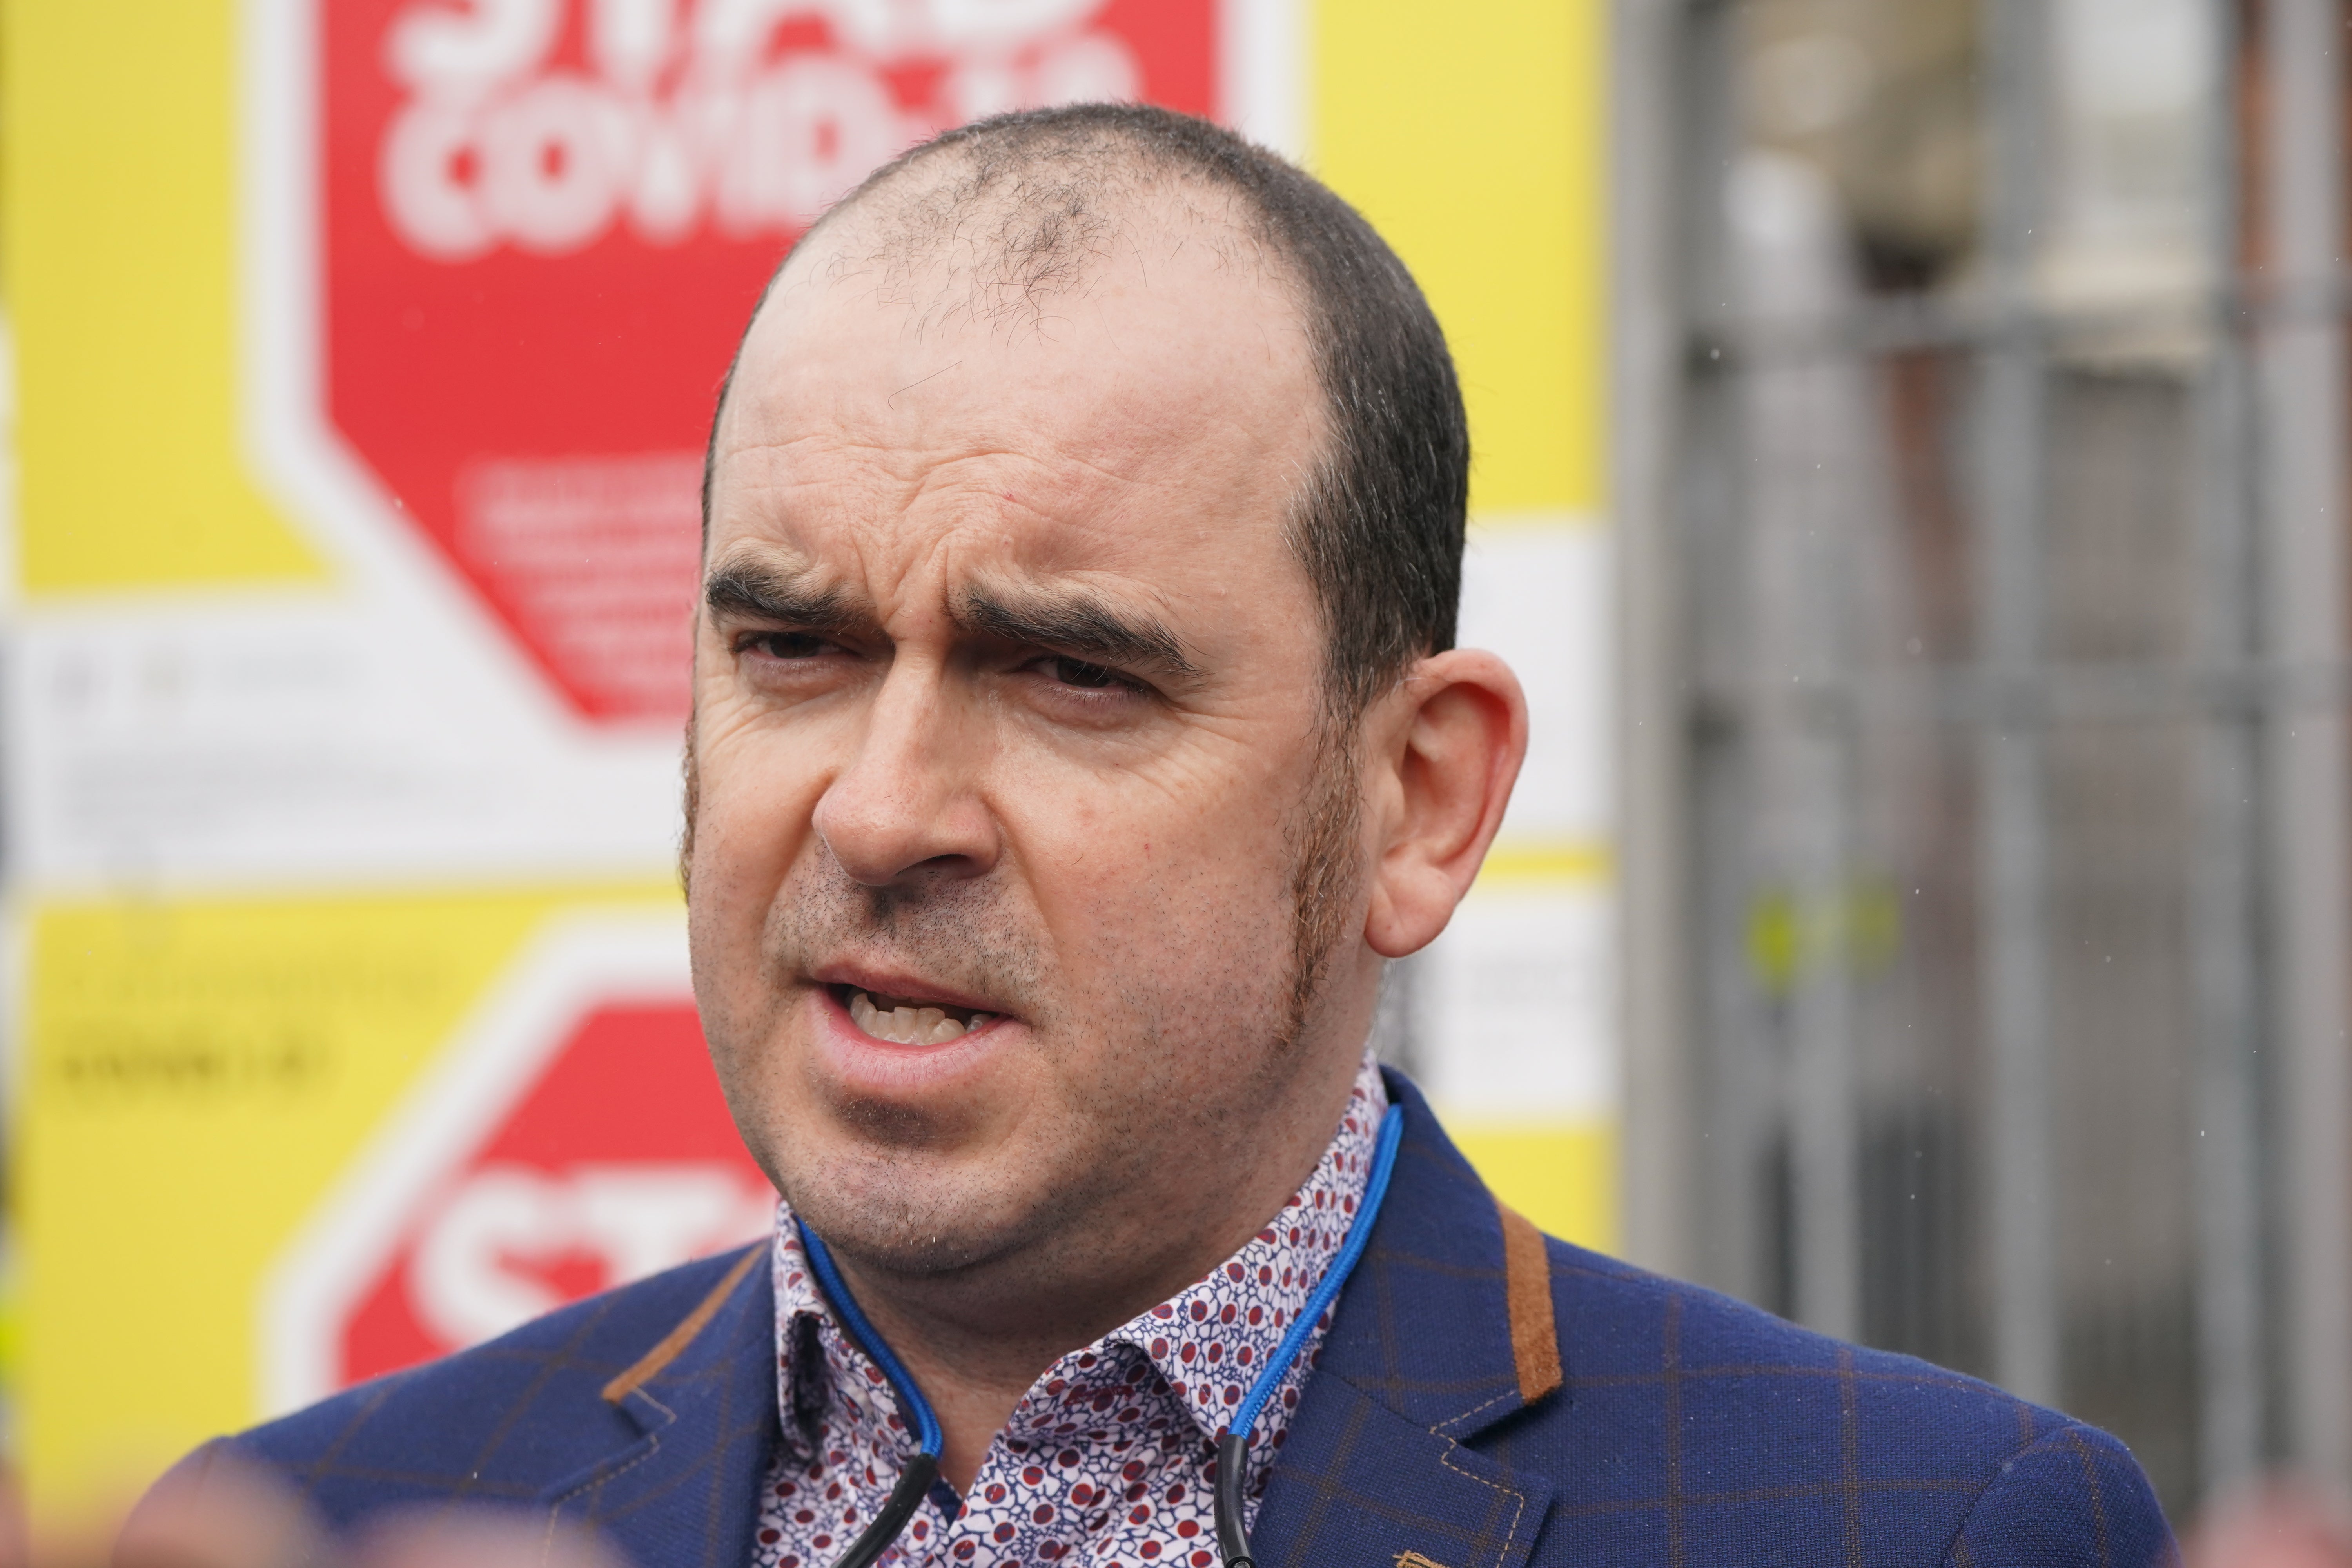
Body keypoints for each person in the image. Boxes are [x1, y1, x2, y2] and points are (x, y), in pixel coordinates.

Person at [138, 104, 2174, 1567]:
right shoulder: (330, 1525)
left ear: (1418, 796)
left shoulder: (1908, 1532)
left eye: (1072, 678)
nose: (885, 807)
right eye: (796, 648)